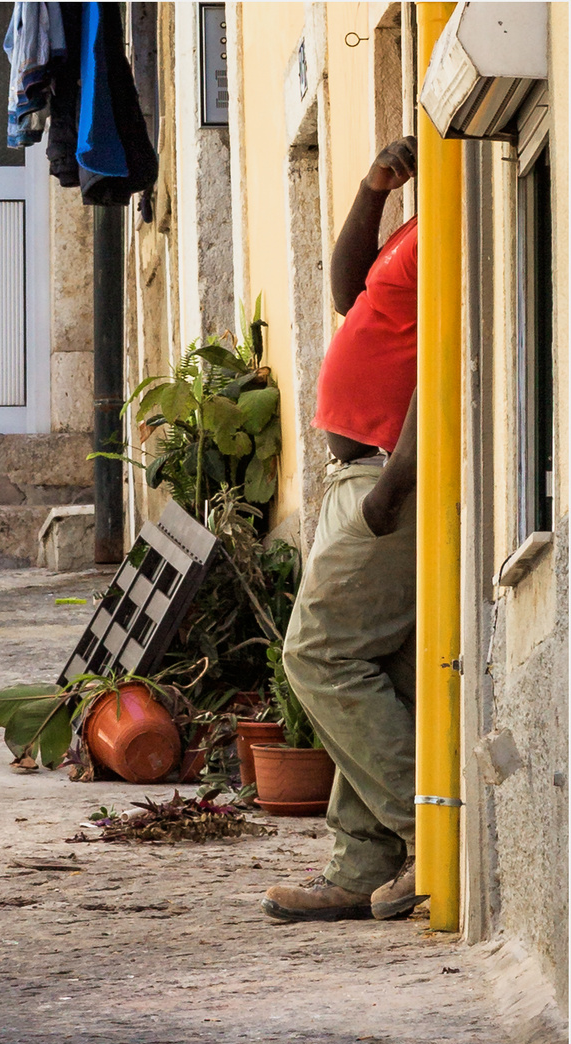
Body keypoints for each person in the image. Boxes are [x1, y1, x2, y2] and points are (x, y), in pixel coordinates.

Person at [262, 136, 428, 923]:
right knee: (378, 669)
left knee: (320, 653)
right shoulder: (416, 228)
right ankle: (363, 865)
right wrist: (374, 190)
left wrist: (392, 488)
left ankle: (431, 826)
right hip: (358, 475)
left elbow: (446, 367)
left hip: (389, 480)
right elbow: (343, 289)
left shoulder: (452, 236)